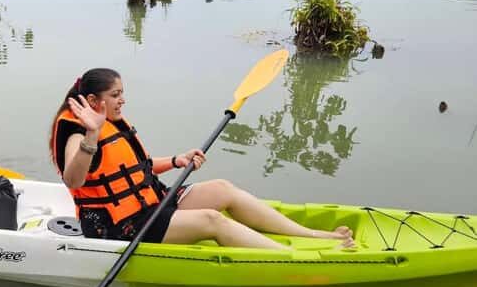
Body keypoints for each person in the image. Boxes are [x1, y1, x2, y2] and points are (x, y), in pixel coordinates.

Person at [50, 68, 354, 250]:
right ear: (93, 100)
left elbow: (135, 168)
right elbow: (74, 180)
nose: (122, 100)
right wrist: (92, 134)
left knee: (222, 188)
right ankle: (290, 257)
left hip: (151, 204)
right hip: (119, 227)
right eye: (116, 95)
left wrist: (176, 160)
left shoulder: (111, 119)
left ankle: (314, 236)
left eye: (122, 93)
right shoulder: (77, 131)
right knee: (212, 220)